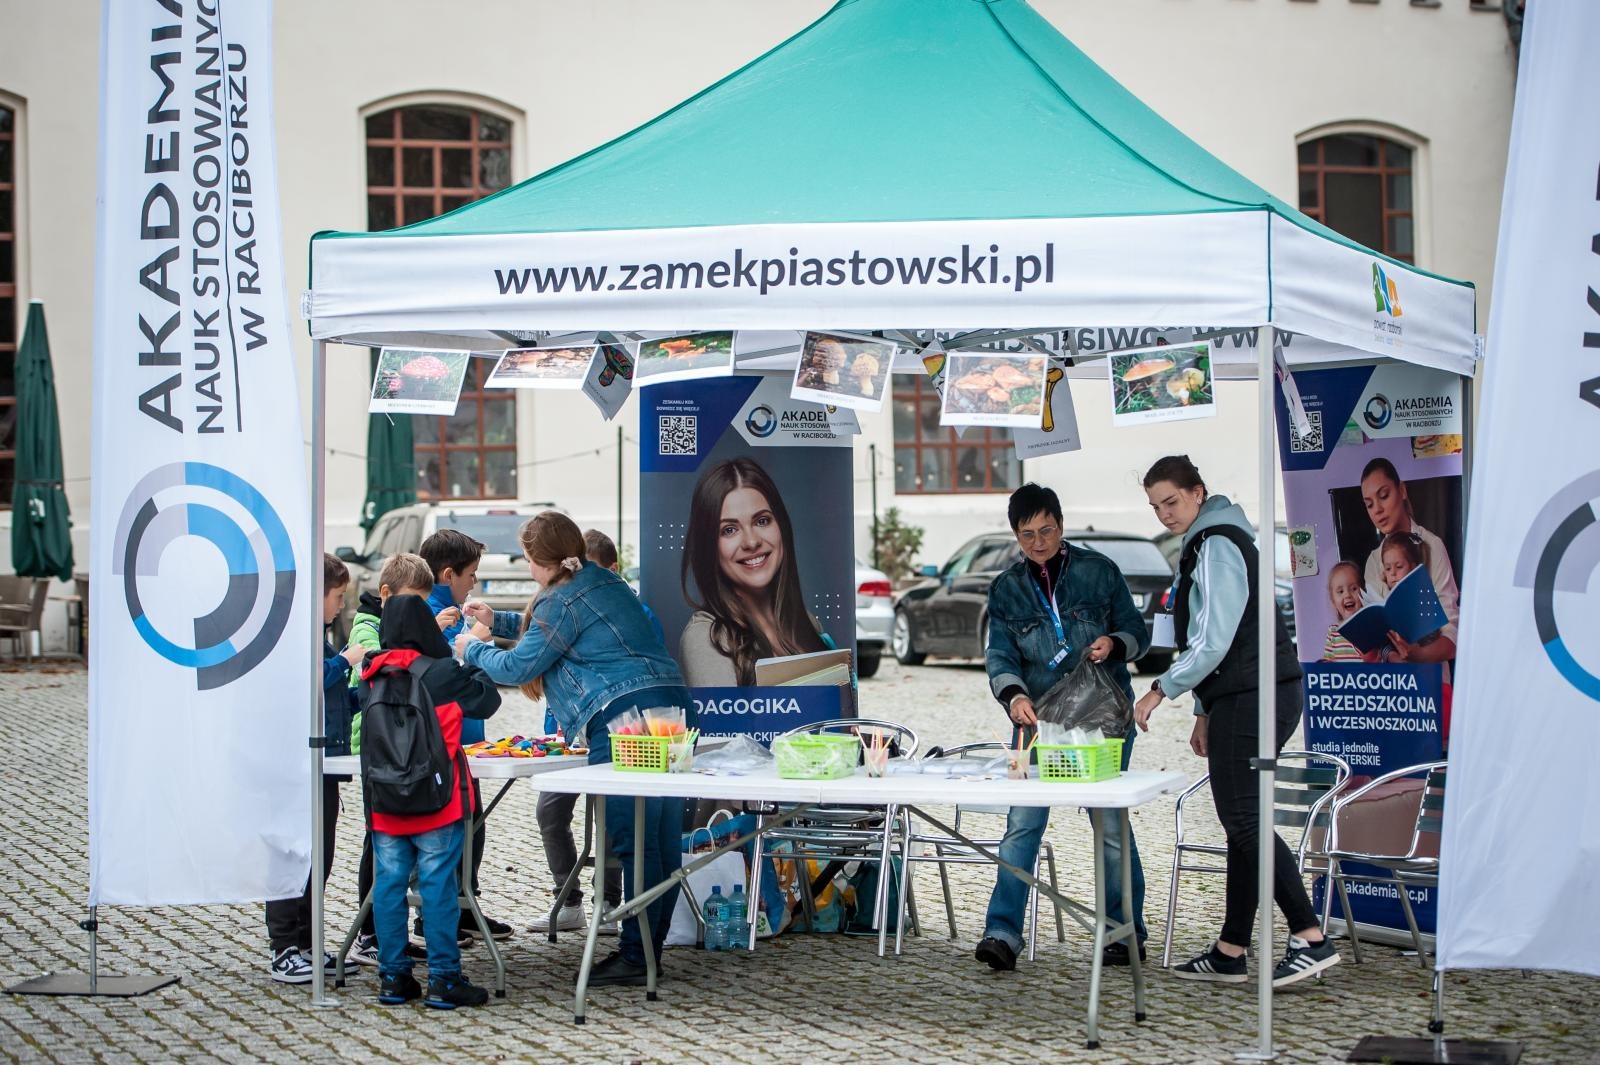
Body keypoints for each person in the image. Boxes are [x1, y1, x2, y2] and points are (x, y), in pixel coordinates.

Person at [457, 512, 692, 988]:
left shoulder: (560, 598)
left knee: (634, 835)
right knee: (662, 831)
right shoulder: (602, 579)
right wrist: (498, 619)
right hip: (668, 708)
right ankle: (649, 947)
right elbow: (564, 628)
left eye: (527, 560)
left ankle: (635, 956)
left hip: (625, 718)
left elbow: (520, 666)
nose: (526, 569)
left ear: (539, 560)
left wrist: (472, 647)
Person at [1133, 455, 1339, 989]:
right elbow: (1215, 635)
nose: (1164, 514)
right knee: (1241, 823)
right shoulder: (1213, 537)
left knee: (1244, 821)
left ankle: (1310, 937)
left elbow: (1214, 637)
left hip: (1256, 695)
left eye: (1171, 501)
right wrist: (1204, 711)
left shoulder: (1218, 543)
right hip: (1248, 693)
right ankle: (1230, 950)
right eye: (1155, 506)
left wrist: (1162, 688)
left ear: (1198, 492)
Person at [973, 483, 1151, 973]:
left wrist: (1115, 643)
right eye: (1027, 534)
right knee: (1021, 825)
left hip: (1102, 720)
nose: (1038, 542)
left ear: (1061, 524)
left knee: (1108, 823)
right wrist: (1013, 694)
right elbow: (999, 655)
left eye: (1046, 530)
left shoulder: (1099, 572)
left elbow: (1140, 632)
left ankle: (1124, 930)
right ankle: (1002, 932)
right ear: (1015, 535)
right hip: (1036, 722)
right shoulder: (1006, 588)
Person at [360, 594, 501, 1009]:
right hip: (437, 796)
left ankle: (393, 977)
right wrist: (474, 654)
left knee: (388, 883)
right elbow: (487, 702)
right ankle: (443, 979)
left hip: (385, 794)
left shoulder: (372, 671)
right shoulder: (439, 673)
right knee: (437, 884)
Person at [530, 528, 653, 935]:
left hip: (609, 730)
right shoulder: (561, 603)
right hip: (566, 735)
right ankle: (568, 901)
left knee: (610, 817)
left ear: (610, 573)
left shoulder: (630, 612)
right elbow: (539, 642)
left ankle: (610, 902)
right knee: (550, 811)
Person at [344, 552, 445, 968]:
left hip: (398, 756)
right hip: (374, 754)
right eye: (414, 604)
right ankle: (373, 937)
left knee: (389, 856)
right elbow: (372, 673)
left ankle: (391, 952)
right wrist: (427, 639)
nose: (417, 614)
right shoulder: (367, 631)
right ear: (387, 595)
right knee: (381, 853)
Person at [265, 553, 361, 984]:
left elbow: (335, 697)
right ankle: (284, 946)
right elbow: (307, 681)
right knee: (293, 856)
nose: (341, 605)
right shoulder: (294, 637)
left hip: (325, 763)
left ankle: (306, 940)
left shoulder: (318, 635)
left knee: (318, 859)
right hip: (298, 765)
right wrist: (347, 661)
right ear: (315, 594)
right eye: (338, 596)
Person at [417, 529, 515, 942]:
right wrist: (473, 642)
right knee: (450, 829)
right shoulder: (431, 615)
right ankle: (436, 914)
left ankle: (465, 904)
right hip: (443, 744)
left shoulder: (453, 610)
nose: (474, 582)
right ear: (447, 574)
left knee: (472, 823)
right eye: (471, 574)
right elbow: (439, 671)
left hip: (468, 740)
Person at [678, 457, 826, 686]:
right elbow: (723, 724)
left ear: (781, 527)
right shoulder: (707, 637)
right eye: (729, 530)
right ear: (709, 546)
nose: (751, 541)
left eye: (762, 521)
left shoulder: (808, 623)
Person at [1357, 458, 1459, 664]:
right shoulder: (1374, 560)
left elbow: (1453, 633)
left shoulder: (1431, 545)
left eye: (1384, 496)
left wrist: (1419, 655)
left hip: (1431, 682)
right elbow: (1376, 641)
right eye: (1369, 504)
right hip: (1393, 687)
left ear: (1402, 490)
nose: (1377, 509)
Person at [1320, 561, 1369, 664]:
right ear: (1333, 601)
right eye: (1340, 591)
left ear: (1363, 592)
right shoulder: (1333, 632)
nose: (1347, 595)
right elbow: (1327, 666)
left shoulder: (1371, 626)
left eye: (1353, 589)